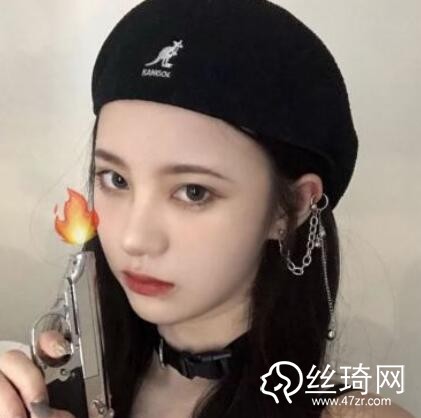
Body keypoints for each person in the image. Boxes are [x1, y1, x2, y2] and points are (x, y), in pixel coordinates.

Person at [0, 0, 415, 417]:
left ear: (290, 208)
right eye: (116, 180)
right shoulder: (57, 388)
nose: (133, 238)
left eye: (194, 192)